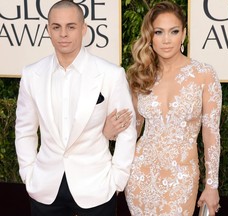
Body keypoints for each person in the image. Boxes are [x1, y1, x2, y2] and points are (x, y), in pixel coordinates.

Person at [14, 1, 136, 215]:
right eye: (56, 27)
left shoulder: (110, 74)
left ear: (83, 29)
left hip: (97, 186)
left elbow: (127, 130)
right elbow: (24, 130)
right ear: (48, 30)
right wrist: (28, 173)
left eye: (71, 26)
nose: (63, 34)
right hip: (44, 186)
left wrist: (118, 179)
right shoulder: (32, 74)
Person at [123, 1, 222, 215]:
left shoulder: (204, 74)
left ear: (184, 34)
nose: (166, 40)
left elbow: (211, 134)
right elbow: (132, 131)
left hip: (181, 176)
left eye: (174, 31)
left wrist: (211, 184)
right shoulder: (141, 75)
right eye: (159, 32)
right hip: (140, 174)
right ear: (150, 36)